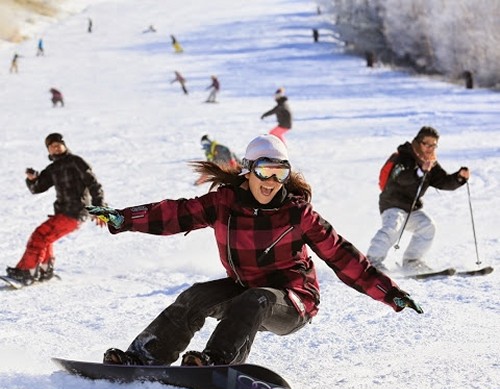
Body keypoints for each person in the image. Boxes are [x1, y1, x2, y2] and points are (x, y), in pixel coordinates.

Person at [86, 134, 423, 368]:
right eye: (264, 170)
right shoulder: (224, 204)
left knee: (257, 298)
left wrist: (389, 292)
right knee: (195, 297)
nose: (271, 181)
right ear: (248, 171)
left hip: (291, 302)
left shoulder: (298, 214)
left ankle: (217, 362)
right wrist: (123, 218)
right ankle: (144, 357)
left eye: (280, 173)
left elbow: (343, 256)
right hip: (246, 290)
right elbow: (173, 214)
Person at [6, 133, 106, 285]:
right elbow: (38, 188)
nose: (56, 148)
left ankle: (27, 271)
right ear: (49, 151)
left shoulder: (76, 162)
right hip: (64, 212)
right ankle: (45, 269)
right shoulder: (52, 168)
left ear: (64, 145)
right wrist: (32, 180)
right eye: (52, 146)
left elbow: (94, 185)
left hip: (75, 212)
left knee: (40, 235)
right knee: (45, 237)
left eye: (58, 144)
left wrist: (100, 210)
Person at [366, 126, 470, 273]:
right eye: (426, 144)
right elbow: (401, 177)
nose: (430, 148)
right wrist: (420, 171)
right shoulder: (404, 156)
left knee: (427, 226)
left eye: (433, 145)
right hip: (392, 204)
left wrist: (459, 178)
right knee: (393, 227)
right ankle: (372, 261)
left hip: (410, 208)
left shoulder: (430, 163)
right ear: (418, 142)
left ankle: (412, 261)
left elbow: (443, 181)